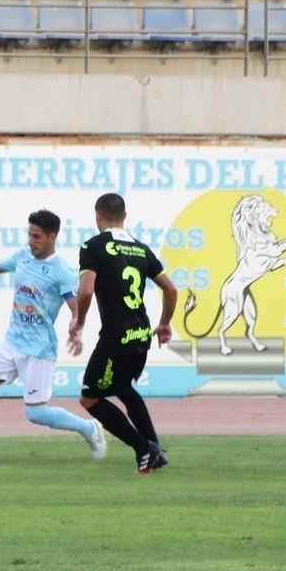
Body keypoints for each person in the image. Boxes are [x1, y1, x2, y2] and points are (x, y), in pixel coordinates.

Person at [0, 209, 106, 461]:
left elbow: (74, 304)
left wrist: (76, 326)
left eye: (36, 236)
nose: (31, 241)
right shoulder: (23, 256)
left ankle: (89, 428)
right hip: (11, 342)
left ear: (52, 236)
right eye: (29, 235)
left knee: (36, 413)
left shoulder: (61, 272)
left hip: (38, 350)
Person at [68, 193, 178, 475]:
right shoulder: (142, 249)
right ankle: (155, 449)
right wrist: (164, 323)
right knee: (124, 389)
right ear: (125, 217)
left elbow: (87, 289)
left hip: (116, 337)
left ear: (98, 218)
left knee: (90, 398)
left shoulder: (94, 246)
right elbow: (171, 289)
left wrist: (78, 323)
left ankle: (144, 449)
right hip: (142, 334)